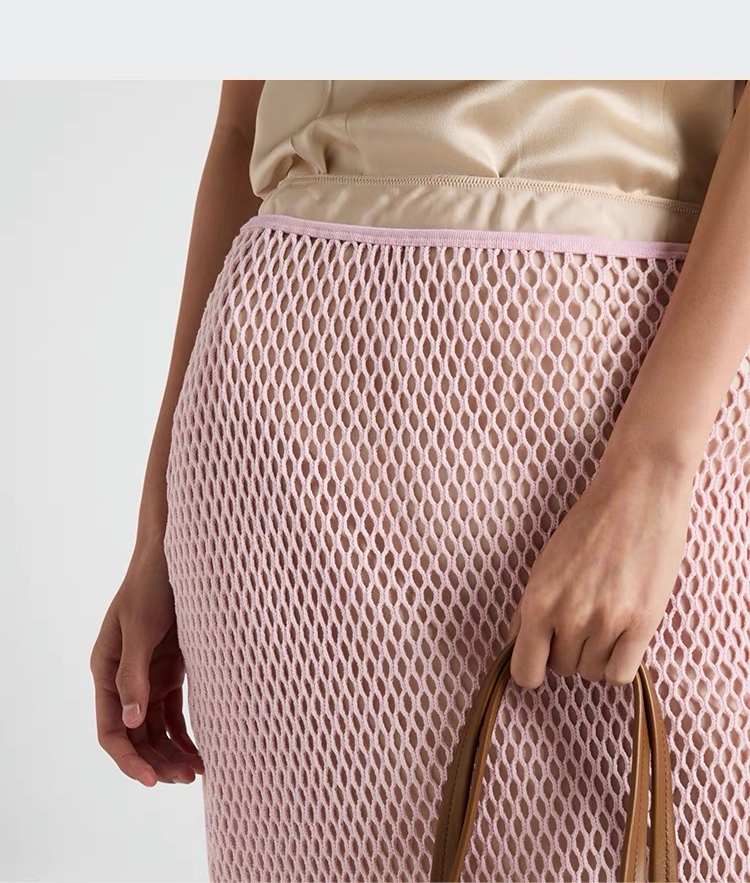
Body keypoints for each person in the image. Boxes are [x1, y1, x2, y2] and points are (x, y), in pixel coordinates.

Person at [90, 80, 750, 883]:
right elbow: (238, 127)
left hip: (620, 379)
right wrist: (157, 531)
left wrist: (652, 470)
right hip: (280, 438)